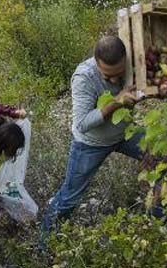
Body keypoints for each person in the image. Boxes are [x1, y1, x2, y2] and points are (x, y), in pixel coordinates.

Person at [40, 36, 148, 240]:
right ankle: (45, 243)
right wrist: (116, 102)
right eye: (108, 77)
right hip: (90, 144)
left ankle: (157, 219)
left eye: (119, 74)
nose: (115, 81)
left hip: (124, 134)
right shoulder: (84, 77)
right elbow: (82, 123)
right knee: (68, 199)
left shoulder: (131, 62)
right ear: (97, 63)